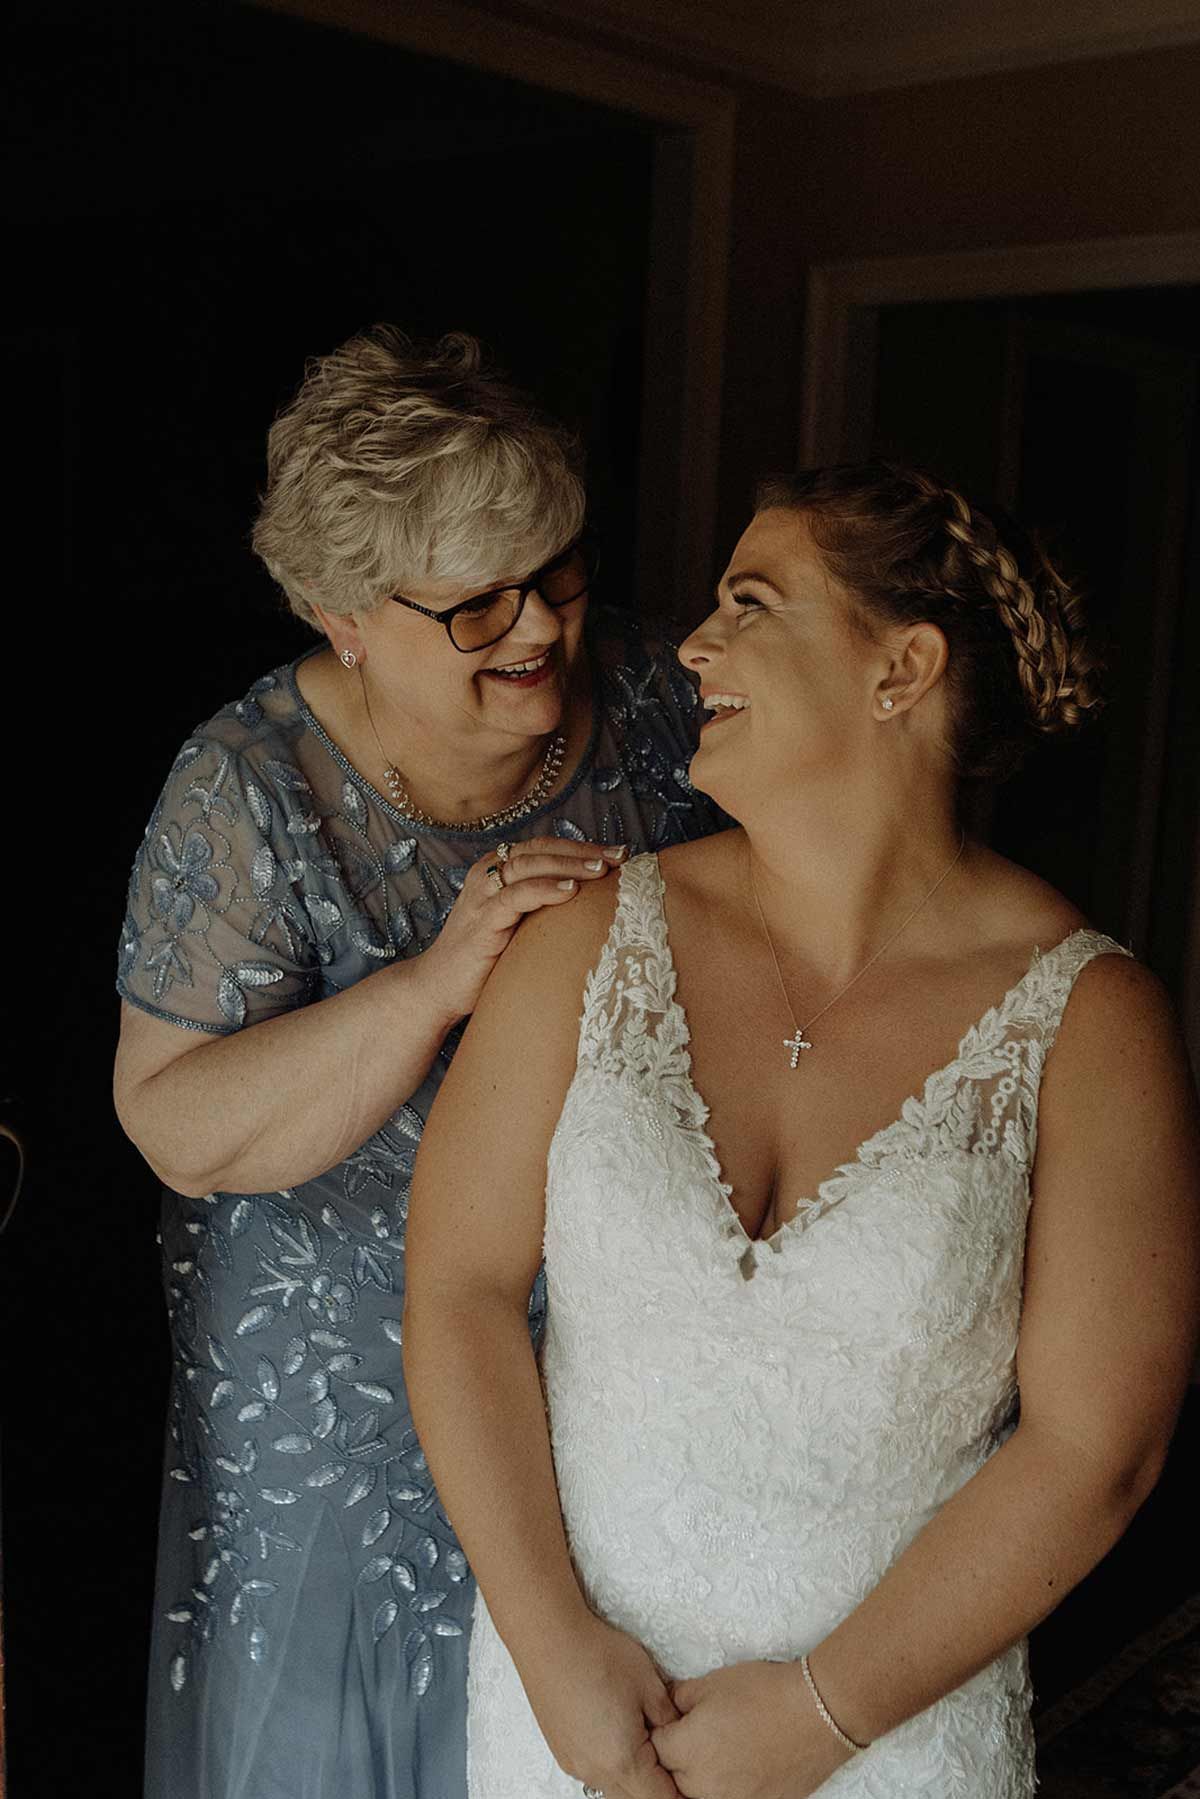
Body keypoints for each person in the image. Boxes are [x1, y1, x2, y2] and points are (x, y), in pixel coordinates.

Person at [404, 461, 1200, 1799]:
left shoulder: (1092, 1020)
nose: (695, 646)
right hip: (581, 1726)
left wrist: (825, 1716)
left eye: (751, 606)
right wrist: (551, 1651)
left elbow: (1095, 1449)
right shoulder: (590, 937)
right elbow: (460, 1291)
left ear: (903, 671)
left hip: (896, 1739)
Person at [113, 325, 727, 1799]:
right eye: (475, 605)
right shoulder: (246, 787)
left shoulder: (655, 694)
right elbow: (175, 1124)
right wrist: (439, 983)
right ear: (342, 616)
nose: (540, 631)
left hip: (613, 1330)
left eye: (559, 572)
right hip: (341, 1385)